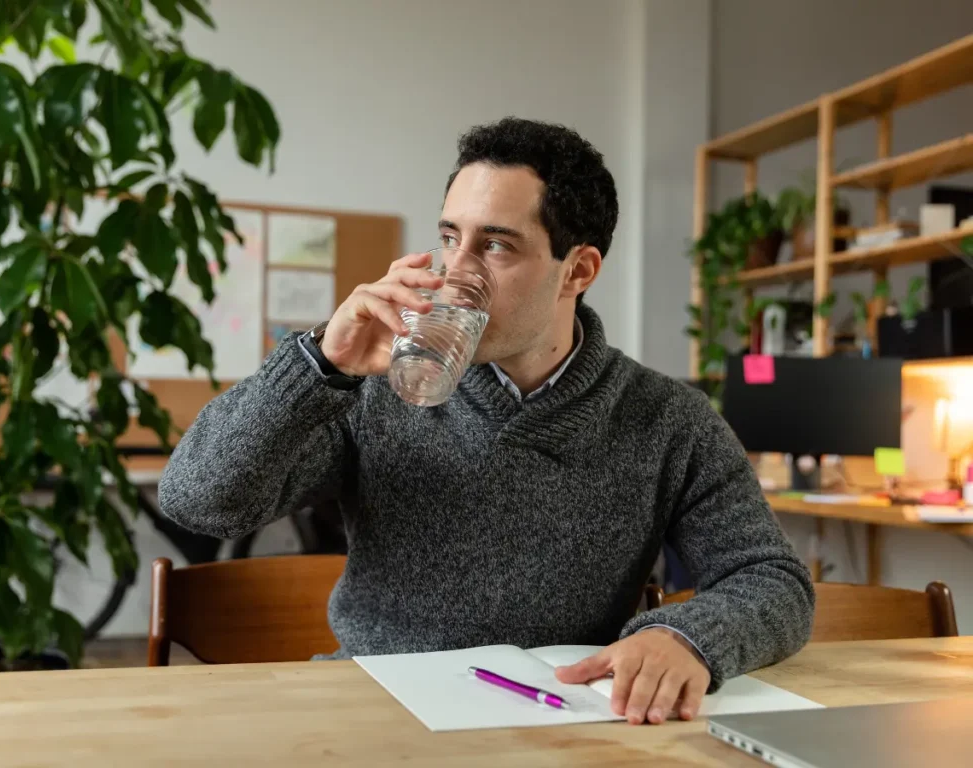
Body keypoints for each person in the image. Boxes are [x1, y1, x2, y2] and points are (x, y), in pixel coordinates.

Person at [159, 117, 814, 725]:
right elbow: (197, 501)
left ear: (578, 270)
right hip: (378, 709)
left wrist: (687, 638)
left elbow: (772, 577)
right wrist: (316, 367)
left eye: (495, 245)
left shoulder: (666, 419)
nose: (457, 272)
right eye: (449, 238)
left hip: (560, 718)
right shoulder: (369, 388)